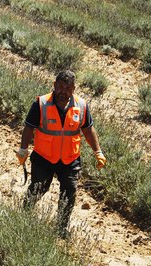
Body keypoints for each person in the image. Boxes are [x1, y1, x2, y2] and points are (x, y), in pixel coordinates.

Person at [16, 70, 107, 238]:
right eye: (60, 87)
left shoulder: (81, 106)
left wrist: (98, 151)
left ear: (73, 89)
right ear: (54, 86)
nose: (63, 91)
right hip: (44, 158)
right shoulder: (41, 103)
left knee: (69, 193)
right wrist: (23, 149)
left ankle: (61, 228)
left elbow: (88, 129)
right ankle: (23, 217)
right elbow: (29, 128)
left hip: (69, 159)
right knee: (38, 189)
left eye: (67, 88)